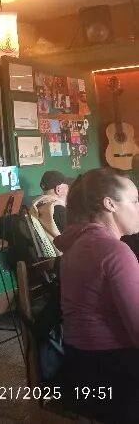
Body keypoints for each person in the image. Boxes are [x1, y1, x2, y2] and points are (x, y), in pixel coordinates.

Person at [54, 168, 139, 423]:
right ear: (110, 204)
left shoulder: (78, 243)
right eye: (135, 201)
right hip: (112, 376)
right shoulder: (114, 251)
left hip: (77, 366)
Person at [31, 170, 73, 237]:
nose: (68, 190)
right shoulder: (59, 210)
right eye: (67, 187)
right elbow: (73, 237)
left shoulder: (38, 204)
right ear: (58, 189)